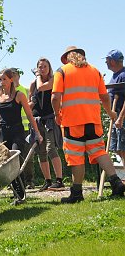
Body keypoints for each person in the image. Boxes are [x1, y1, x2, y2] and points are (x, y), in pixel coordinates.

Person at [52, 46, 125, 203]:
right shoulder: (95, 71)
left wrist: (57, 114)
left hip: (72, 122)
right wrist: (110, 113)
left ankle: (77, 193)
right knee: (99, 152)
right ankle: (116, 183)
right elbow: (105, 97)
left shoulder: (62, 71)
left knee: (76, 157)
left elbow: (55, 98)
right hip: (93, 121)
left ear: (66, 58)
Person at [0, 69, 43, 201]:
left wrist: (37, 132)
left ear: (11, 80)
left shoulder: (19, 95)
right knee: (6, 163)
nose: (1, 82)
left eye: (4, 79)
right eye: (0, 79)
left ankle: (20, 194)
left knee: (15, 160)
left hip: (17, 132)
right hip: (4, 134)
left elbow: (29, 114)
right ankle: (16, 192)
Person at [28, 59, 64, 191]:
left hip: (50, 119)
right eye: (39, 67)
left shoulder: (53, 80)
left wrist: (37, 76)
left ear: (49, 68)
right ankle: (47, 181)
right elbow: (31, 100)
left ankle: (59, 180)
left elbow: (42, 87)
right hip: (37, 120)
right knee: (41, 152)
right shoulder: (33, 84)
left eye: (44, 66)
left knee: (51, 149)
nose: (42, 69)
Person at [10, 67, 34, 189]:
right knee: (14, 157)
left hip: (26, 128)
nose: (13, 77)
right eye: (11, 75)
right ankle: (16, 182)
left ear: (18, 76)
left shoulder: (25, 90)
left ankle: (29, 181)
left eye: (15, 75)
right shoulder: (6, 92)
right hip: (14, 128)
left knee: (28, 155)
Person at [104, 49, 125, 168]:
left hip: (121, 117)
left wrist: (121, 117)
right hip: (115, 117)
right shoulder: (115, 75)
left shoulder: (123, 75)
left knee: (123, 148)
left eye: (107, 60)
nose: (106, 62)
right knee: (118, 149)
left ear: (112, 61)